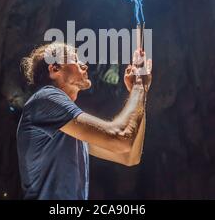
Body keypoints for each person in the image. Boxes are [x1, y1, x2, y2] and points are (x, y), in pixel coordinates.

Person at [17, 42, 152, 200]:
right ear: (55, 69)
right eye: (75, 59)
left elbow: (129, 156)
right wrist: (138, 87)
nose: (84, 65)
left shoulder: (67, 128)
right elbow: (120, 137)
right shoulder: (46, 99)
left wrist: (141, 94)